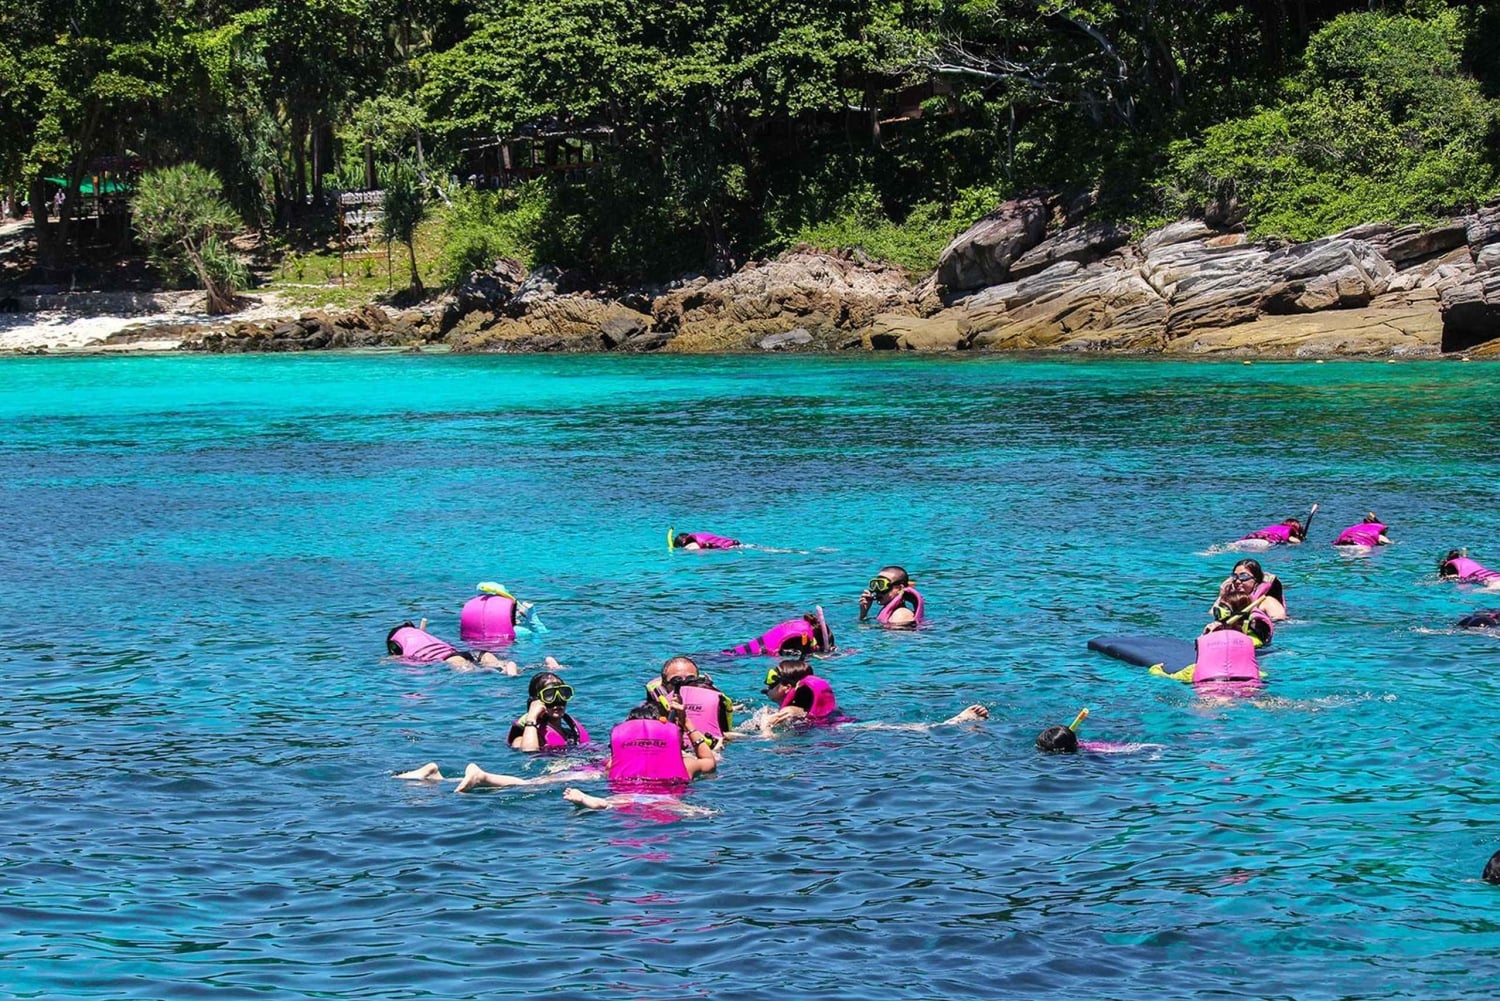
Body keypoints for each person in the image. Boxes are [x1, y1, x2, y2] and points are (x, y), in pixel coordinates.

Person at [648, 655, 733, 750]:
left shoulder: (713, 703)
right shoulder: (650, 712)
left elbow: (723, 734)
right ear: (664, 686)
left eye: (691, 680)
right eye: (677, 681)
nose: (685, 686)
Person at [1149, 629, 1264, 694]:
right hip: (1248, 688)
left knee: (1207, 707)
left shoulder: (1193, 669)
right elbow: (1263, 675)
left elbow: (1170, 678)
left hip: (1210, 689)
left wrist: (1155, 670)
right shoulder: (1256, 672)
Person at [385, 619, 518, 672]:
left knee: (475, 672)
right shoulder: (421, 634)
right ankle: (509, 668)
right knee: (499, 664)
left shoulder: (397, 642)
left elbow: (398, 658)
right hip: (471, 652)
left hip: (449, 659)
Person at [506, 671, 590, 751]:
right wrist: (531, 718)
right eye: (549, 695)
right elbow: (529, 751)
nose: (558, 701)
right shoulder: (521, 739)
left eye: (563, 693)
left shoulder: (570, 734)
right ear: (535, 702)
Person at [755, 659, 844, 731]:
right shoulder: (802, 709)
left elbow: (768, 740)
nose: (767, 684)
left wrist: (764, 727)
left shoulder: (787, 711)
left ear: (787, 687)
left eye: (771, 679)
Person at [459, 581, 546, 649]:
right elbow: (542, 637)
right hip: (507, 645)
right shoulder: (518, 632)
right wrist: (532, 616)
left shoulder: (471, 628)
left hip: (474, 644)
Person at [723, 608, 834, 657]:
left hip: (735, 653)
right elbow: (801, 654)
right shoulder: (803, 636)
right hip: (740, 657)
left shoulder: (802, 625)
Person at [1212, 558, 1287, 622]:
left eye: (1244, 576)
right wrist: (1222, 595)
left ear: (1256, 580)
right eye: (1234, 576)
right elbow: (1212, 615)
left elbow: (1280, 623)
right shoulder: (1234, 602)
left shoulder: (1267, 602)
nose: (1237, 581)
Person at [859, 565, 924, 627]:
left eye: (882, 585)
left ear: (900, 588)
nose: (877, 590)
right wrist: (864, 613)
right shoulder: (892, 613)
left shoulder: (900, 615)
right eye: (874, 584)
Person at [1237, 513, 1309, 548]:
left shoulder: (1273, 527)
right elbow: (1295, 541)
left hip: (1247, 538)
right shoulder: (1290, 530)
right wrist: (1300, 540)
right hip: (1263, 542)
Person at [671, 531, 740, 551]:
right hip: (732, 543)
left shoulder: (689, 546)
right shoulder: (700, 536)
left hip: (722, 548)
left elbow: (699, 549)